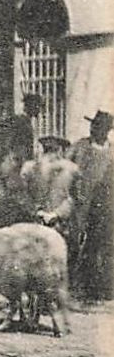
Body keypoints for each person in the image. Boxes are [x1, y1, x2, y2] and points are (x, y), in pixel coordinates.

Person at [68, 111, 112, 301]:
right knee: (75, 241)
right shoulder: (79, 146)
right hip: (81, 202)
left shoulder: (111, 151)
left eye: (99, 127)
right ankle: (72, 285)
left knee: (102, 244)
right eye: (93, 125)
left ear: (107, 130)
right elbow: (65, 169)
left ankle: (97, 286)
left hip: (106, 206)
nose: (94, 129)